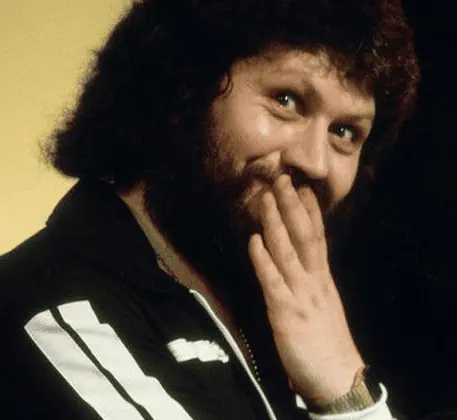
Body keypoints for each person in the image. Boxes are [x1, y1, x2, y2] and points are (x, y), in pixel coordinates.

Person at [0, 0, 420, 419]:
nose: (315, 162)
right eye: (287, 100)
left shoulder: (286, 317)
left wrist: (342, 383)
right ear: (184, 90)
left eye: (344, 132)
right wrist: (343, 401)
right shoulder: (53, 308)